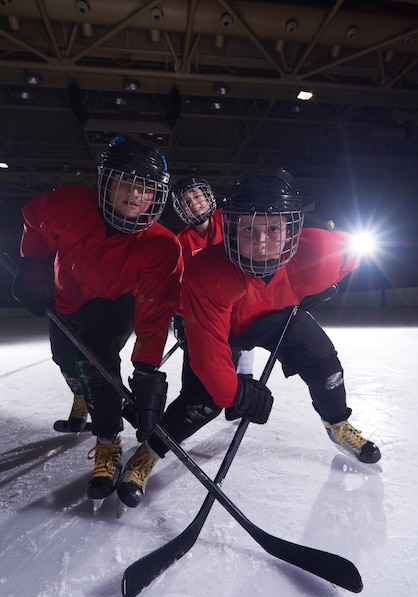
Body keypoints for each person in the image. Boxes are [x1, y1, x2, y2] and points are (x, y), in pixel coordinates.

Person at [126, 168, 381, 506]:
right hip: (224, 326)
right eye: (249, 229)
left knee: (325, 365)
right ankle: (149, 451)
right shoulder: (207, 270)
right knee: (202, 401)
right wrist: (233, 395)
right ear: (230, 227)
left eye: (273, 229)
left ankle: (337, 424)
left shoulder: (315, 251)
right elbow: (209, 355)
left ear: (292, 228)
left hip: (276, 317)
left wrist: (324, 286)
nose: (261, 242)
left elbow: (353, 253)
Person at [11, 134, 183, 509]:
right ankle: (81, 394)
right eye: (128, 182)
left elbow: (154, 313)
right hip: (65, 301)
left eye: (147, 188)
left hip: (114, 308)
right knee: (66, 362)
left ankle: (108, 443)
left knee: (99, 365)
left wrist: (146, 370)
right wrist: (34, 263)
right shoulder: (69, 205)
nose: (137, 194)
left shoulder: (163, 245)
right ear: (107, 181)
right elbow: (33, 220)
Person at [171, 175, 254, 376]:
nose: (194, 204)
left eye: (198, 197)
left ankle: (244, 387)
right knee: (211, 371)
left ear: (208, 198)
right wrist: (182, 318)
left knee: (242, 369)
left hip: (241, 305)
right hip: (211, 314)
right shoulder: (182, 241)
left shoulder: (230, 219)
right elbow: (182, 283)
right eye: (187, 202)